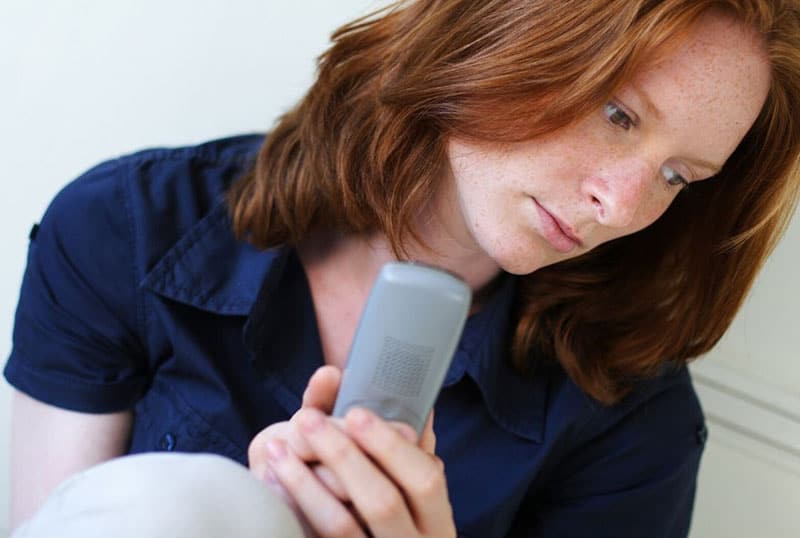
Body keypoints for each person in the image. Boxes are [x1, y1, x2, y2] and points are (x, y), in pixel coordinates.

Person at [5, 0, 800, 537]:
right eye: (617, 114)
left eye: (677, 178)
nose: (621, 207)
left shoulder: (630, 416)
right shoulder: (130, 227)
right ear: (499, 33)